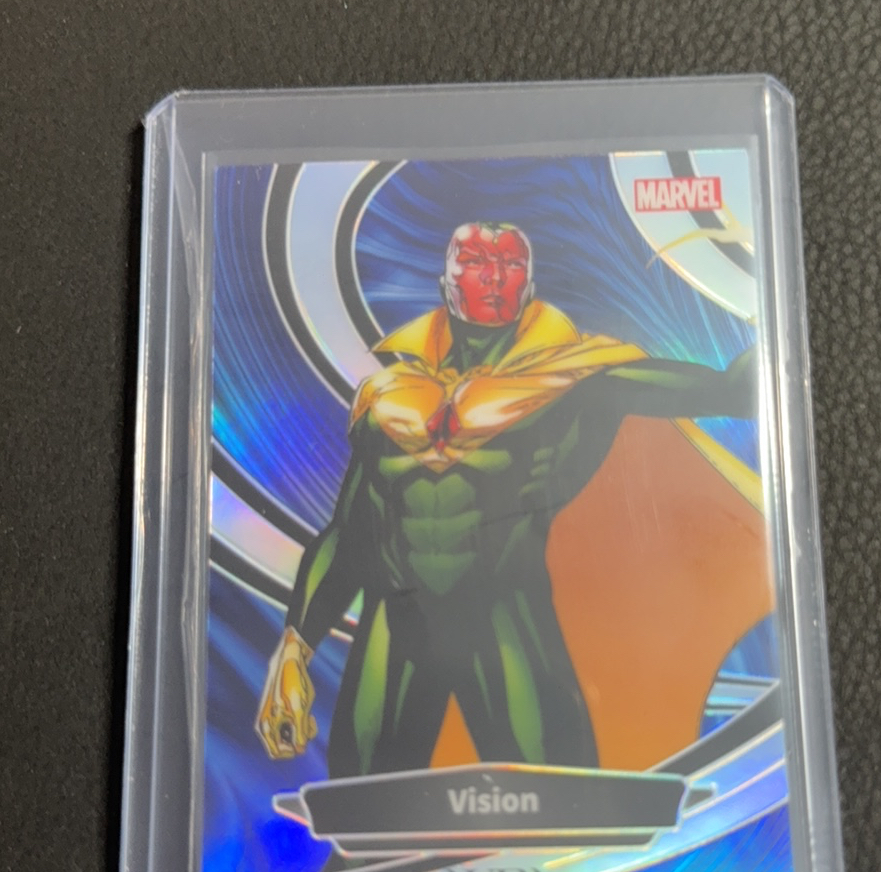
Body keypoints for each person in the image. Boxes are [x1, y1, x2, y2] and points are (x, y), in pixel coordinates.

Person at [256, 221, 755, 776]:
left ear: (529, 284)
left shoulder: (579, 377)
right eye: (475, 261)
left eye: (510, 264)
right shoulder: (387, 396)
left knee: (560, 804)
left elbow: (732, 390)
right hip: (395, 629)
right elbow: (349, 533)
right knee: (358, 812)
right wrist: (295, 647)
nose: (494, 278)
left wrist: (765, 292)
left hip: (503, 624)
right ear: (446, 281)